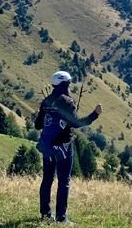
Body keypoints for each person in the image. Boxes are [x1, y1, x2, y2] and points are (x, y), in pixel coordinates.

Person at [35, 71, 102, 224]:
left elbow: (38, 125)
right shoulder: (67, 101)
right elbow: (77, 123)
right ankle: (61, 218)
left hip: (46, 146)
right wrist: (95, 114)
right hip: (63, 147)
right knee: (63, 180)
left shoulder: (46, 101)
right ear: (65, 84)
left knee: (47, 179)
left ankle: (45, 215)